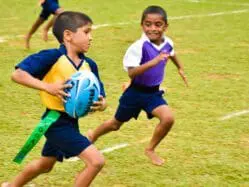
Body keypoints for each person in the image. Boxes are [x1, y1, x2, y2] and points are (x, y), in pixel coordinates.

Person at [2, 11, 107, 187]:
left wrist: (102, 104)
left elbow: (102, 97)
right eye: (87, 32)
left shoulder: (90, 65)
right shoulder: (52, 57)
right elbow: (18, 74)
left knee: (45, 164)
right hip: (55, 122)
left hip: (71, 121)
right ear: (68, 35)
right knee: (96, 161)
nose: (91, 37)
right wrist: (48, 87)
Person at [88, 5, 188, 166]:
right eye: (148, 24)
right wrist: (153, 62)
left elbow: (172, 53)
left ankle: (150, 149)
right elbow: (132, 73)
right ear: (142, 25)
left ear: (165, 26)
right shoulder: (138, 47)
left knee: (168, 118)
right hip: (134, 93)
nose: (153, 28)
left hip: (153, 94)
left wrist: (180, 68)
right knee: (115, 124)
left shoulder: (168, 42)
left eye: (158, 24)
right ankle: (93, 134)